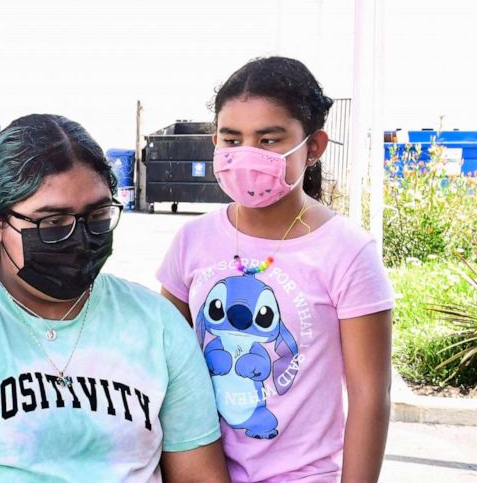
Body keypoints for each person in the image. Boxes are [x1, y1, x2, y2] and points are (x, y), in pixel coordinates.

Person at [0, 114, 229, 482]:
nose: (81, 238)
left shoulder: (157, 323)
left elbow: (200, 475)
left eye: (99, 216)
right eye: (53, 223)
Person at [157, 57, 394, 482]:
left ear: (314, 147)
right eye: (232, 139)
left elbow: (369, 395)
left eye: (268, 139)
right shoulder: (191, 241)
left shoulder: (348, 252)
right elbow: (167, 368)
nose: (246, 154)